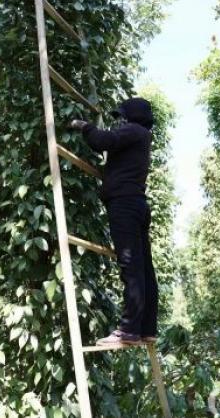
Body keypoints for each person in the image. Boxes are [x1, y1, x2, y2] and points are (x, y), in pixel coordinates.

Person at [69, 98, 158, 346]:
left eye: (123, 116)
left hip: (125, 203)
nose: (121, 121)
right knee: (144, 268)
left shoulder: (133, 130)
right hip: (137, 203)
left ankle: (129, 330)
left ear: (133, 116)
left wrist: (85, 127)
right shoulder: (143, 136)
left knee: (130, 265)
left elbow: (103, 141)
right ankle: (147, 328)